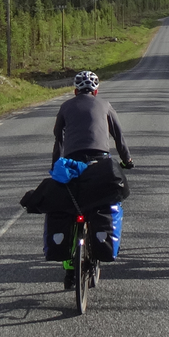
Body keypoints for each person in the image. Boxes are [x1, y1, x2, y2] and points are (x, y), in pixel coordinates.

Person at [52, 70, 133, 289]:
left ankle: (70, 269)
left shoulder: (65, 106)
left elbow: (58, 140)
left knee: (69, 208)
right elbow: (119, 136)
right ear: (96, 91)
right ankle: (99, 246)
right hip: (100, 163)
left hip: (71, 163)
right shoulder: (105, 105)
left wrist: (54, 167)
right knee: (105, 202)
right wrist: (127, 160)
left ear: (75, 90)